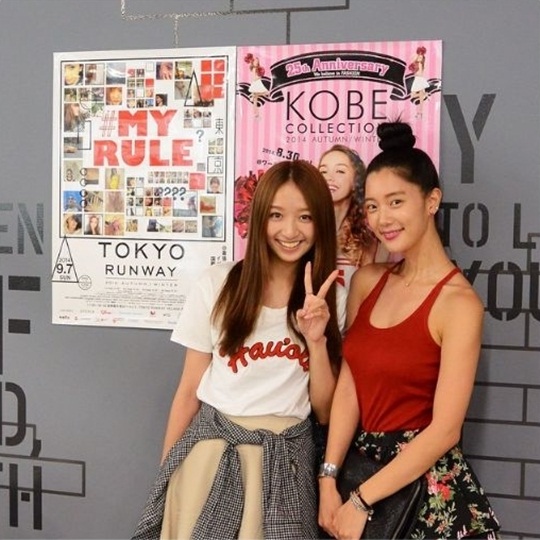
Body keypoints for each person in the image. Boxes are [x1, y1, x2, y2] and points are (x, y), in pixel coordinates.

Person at [132, 160, 346, 540]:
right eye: (276, 215)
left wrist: (316, 340)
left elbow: (326, 410)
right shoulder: (217, 284)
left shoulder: (332, 300)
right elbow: (188, 391)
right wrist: (167, 474)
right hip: (210, 458)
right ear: (260, 218)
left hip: (284, 465)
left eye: (305, 217)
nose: (290, 231)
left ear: (321, 224)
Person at [318, 122, 500, 539]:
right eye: (372, 206)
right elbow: (350, 383)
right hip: (359, 471)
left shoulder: (459, 304)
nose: (382, 219)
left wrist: (361, 501)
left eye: (396, 202)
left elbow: (445, 430)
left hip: (425, 493)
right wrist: (328, 476)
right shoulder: (368, 281)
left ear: (431, 200)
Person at [318, 145, 384, 291]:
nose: (329, 178)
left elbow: (368, 292)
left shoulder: (367, 240)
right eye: (323, 171)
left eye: (340, 171)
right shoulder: (307, 232)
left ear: (356, 182)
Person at [409, 46, 429, 119]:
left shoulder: (420, 64)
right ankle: (425, 94)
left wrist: (415, 73)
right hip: (418, 80)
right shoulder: (417, 63)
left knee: (420, 99)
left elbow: (420, 74)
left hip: (419, 80)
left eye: (421, 57)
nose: (419, 58)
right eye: (419, 56)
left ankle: (419, 114)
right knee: (417, 97)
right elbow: (412, 58)